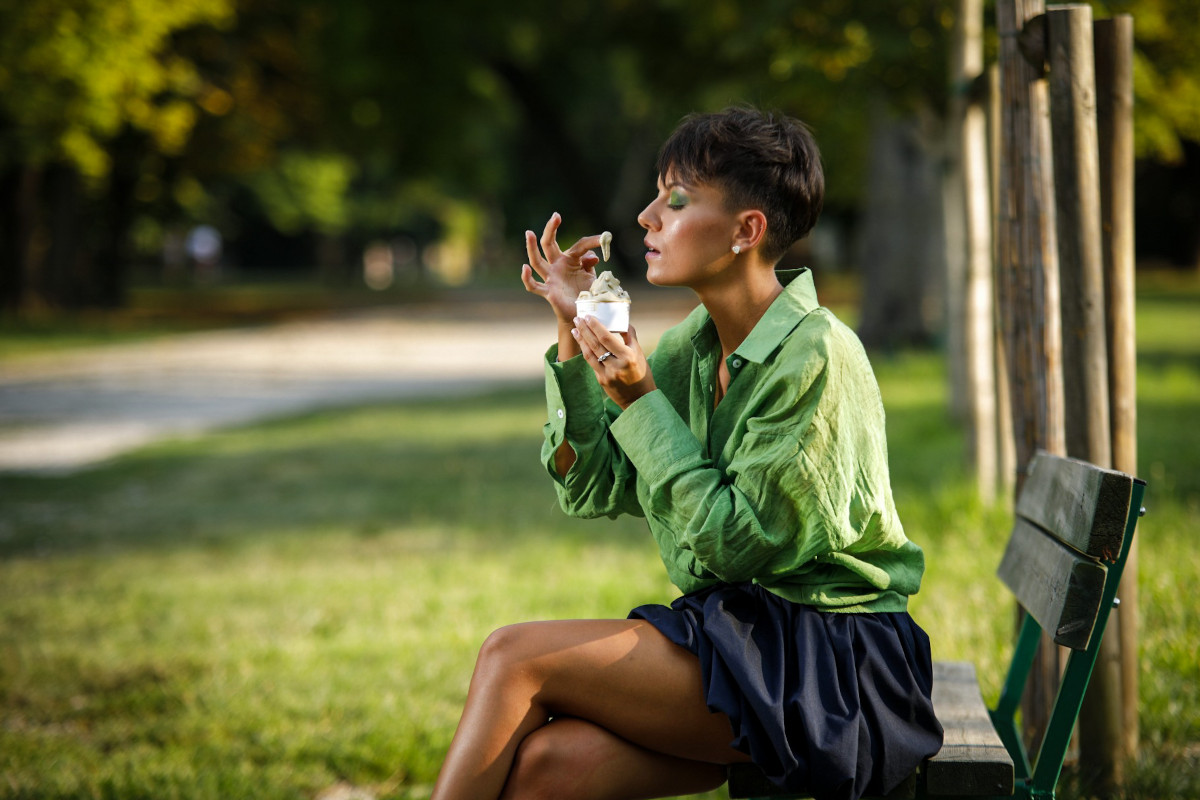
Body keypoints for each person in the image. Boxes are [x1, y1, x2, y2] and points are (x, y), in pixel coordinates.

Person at [430, 106, 943, 800]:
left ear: (747, 230)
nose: (645, 217)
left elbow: (738, 544)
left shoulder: (817, 355)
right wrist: (571, 329)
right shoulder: (694, 347)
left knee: (513, 657)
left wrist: (641, 399)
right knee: (549, 768)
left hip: (835, 664)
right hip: (747, 639)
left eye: (675, 200)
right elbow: (591, 488)